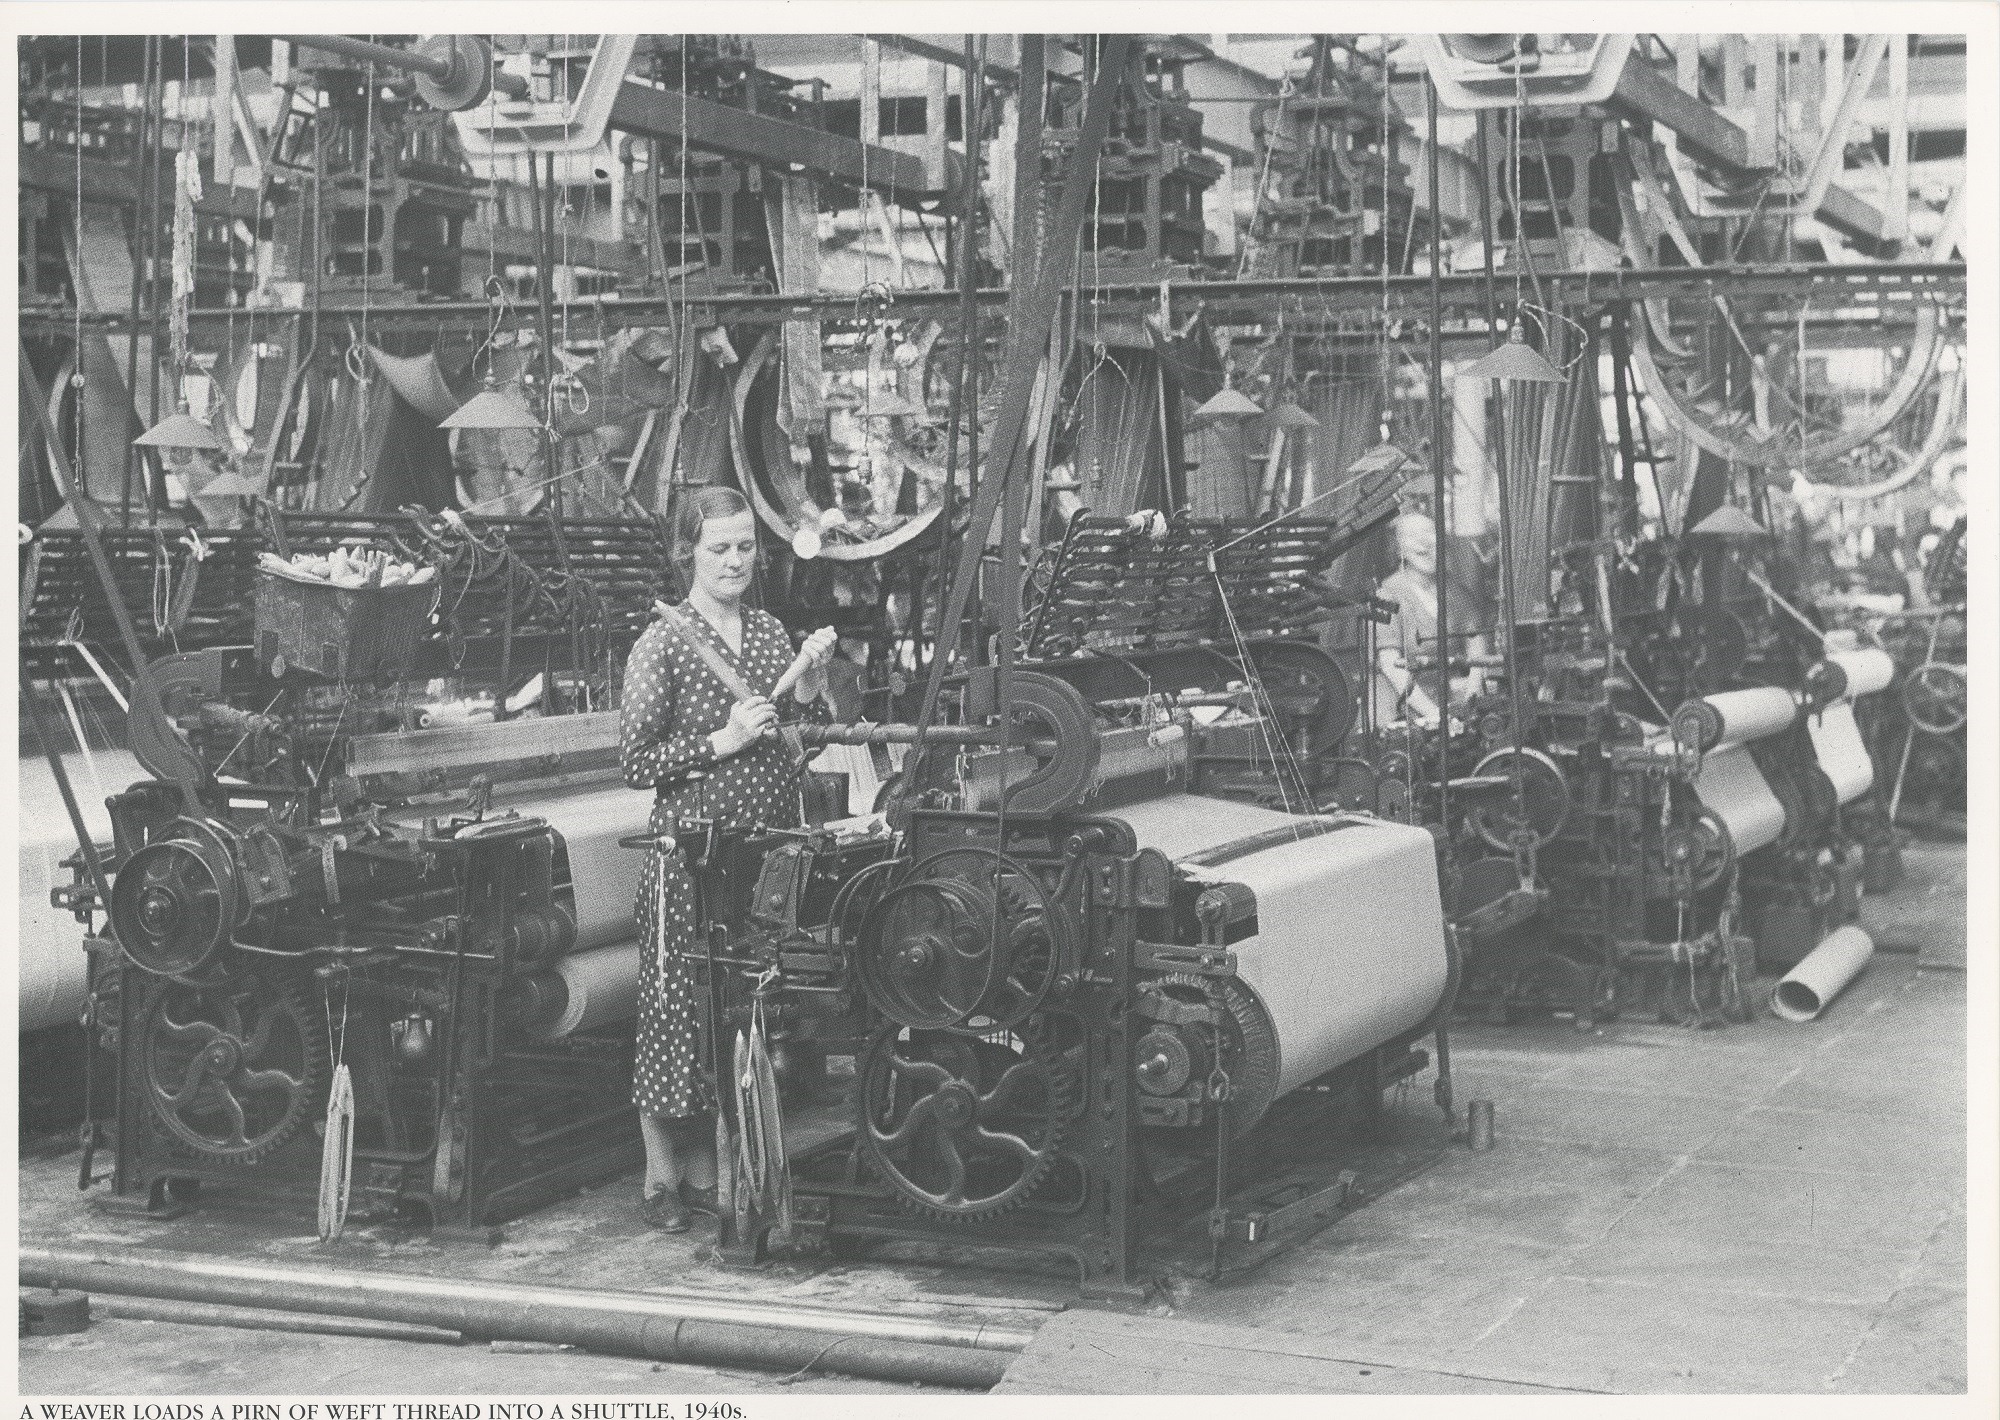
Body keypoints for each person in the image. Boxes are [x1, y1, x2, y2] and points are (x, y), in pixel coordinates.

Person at [619, 486, 836, 1232]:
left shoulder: (772, 634)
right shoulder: (665, 642)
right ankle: (659, 1179)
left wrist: (808, 683)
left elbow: (803, 733)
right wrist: (722, 742)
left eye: (746, 545)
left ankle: (715, 1167)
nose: (737, 559)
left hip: (761, 860)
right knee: (675, 1012)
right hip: (690, 860)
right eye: (720, 547)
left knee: (740, 1017)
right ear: (688, 553)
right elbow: (636, 761)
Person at [1371, 511, 1489, 729]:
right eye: (1412, 535)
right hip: (1399, 704)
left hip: (1450, 701)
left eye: (1429, 532)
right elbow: (1391, 665)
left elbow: (1476, 646)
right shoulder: (1387, 594)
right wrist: (1435, 715)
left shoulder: (1455, 591)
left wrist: (1471, 697)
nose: (1424, 541)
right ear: (1399, 548)